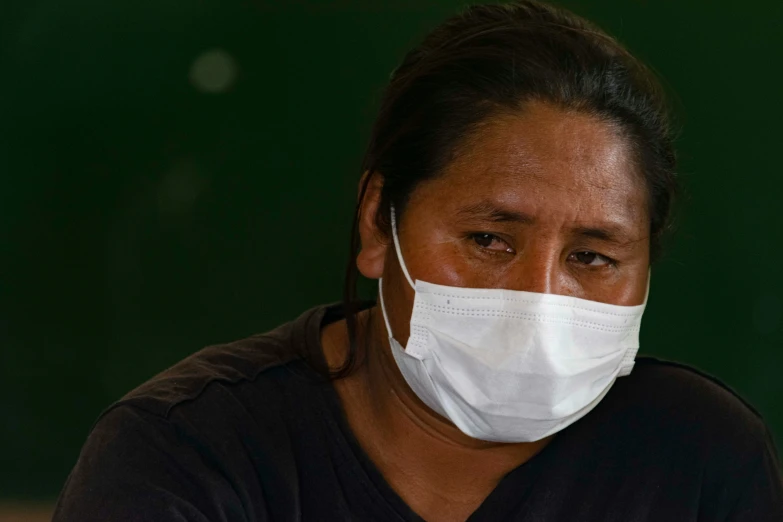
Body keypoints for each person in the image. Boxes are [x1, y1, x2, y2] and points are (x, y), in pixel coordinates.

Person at [53, 1, 783, 520]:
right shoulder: (188, 456)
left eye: (592, 256)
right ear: (378, 222)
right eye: (488, 241)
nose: (538, 295)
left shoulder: (698, 461)